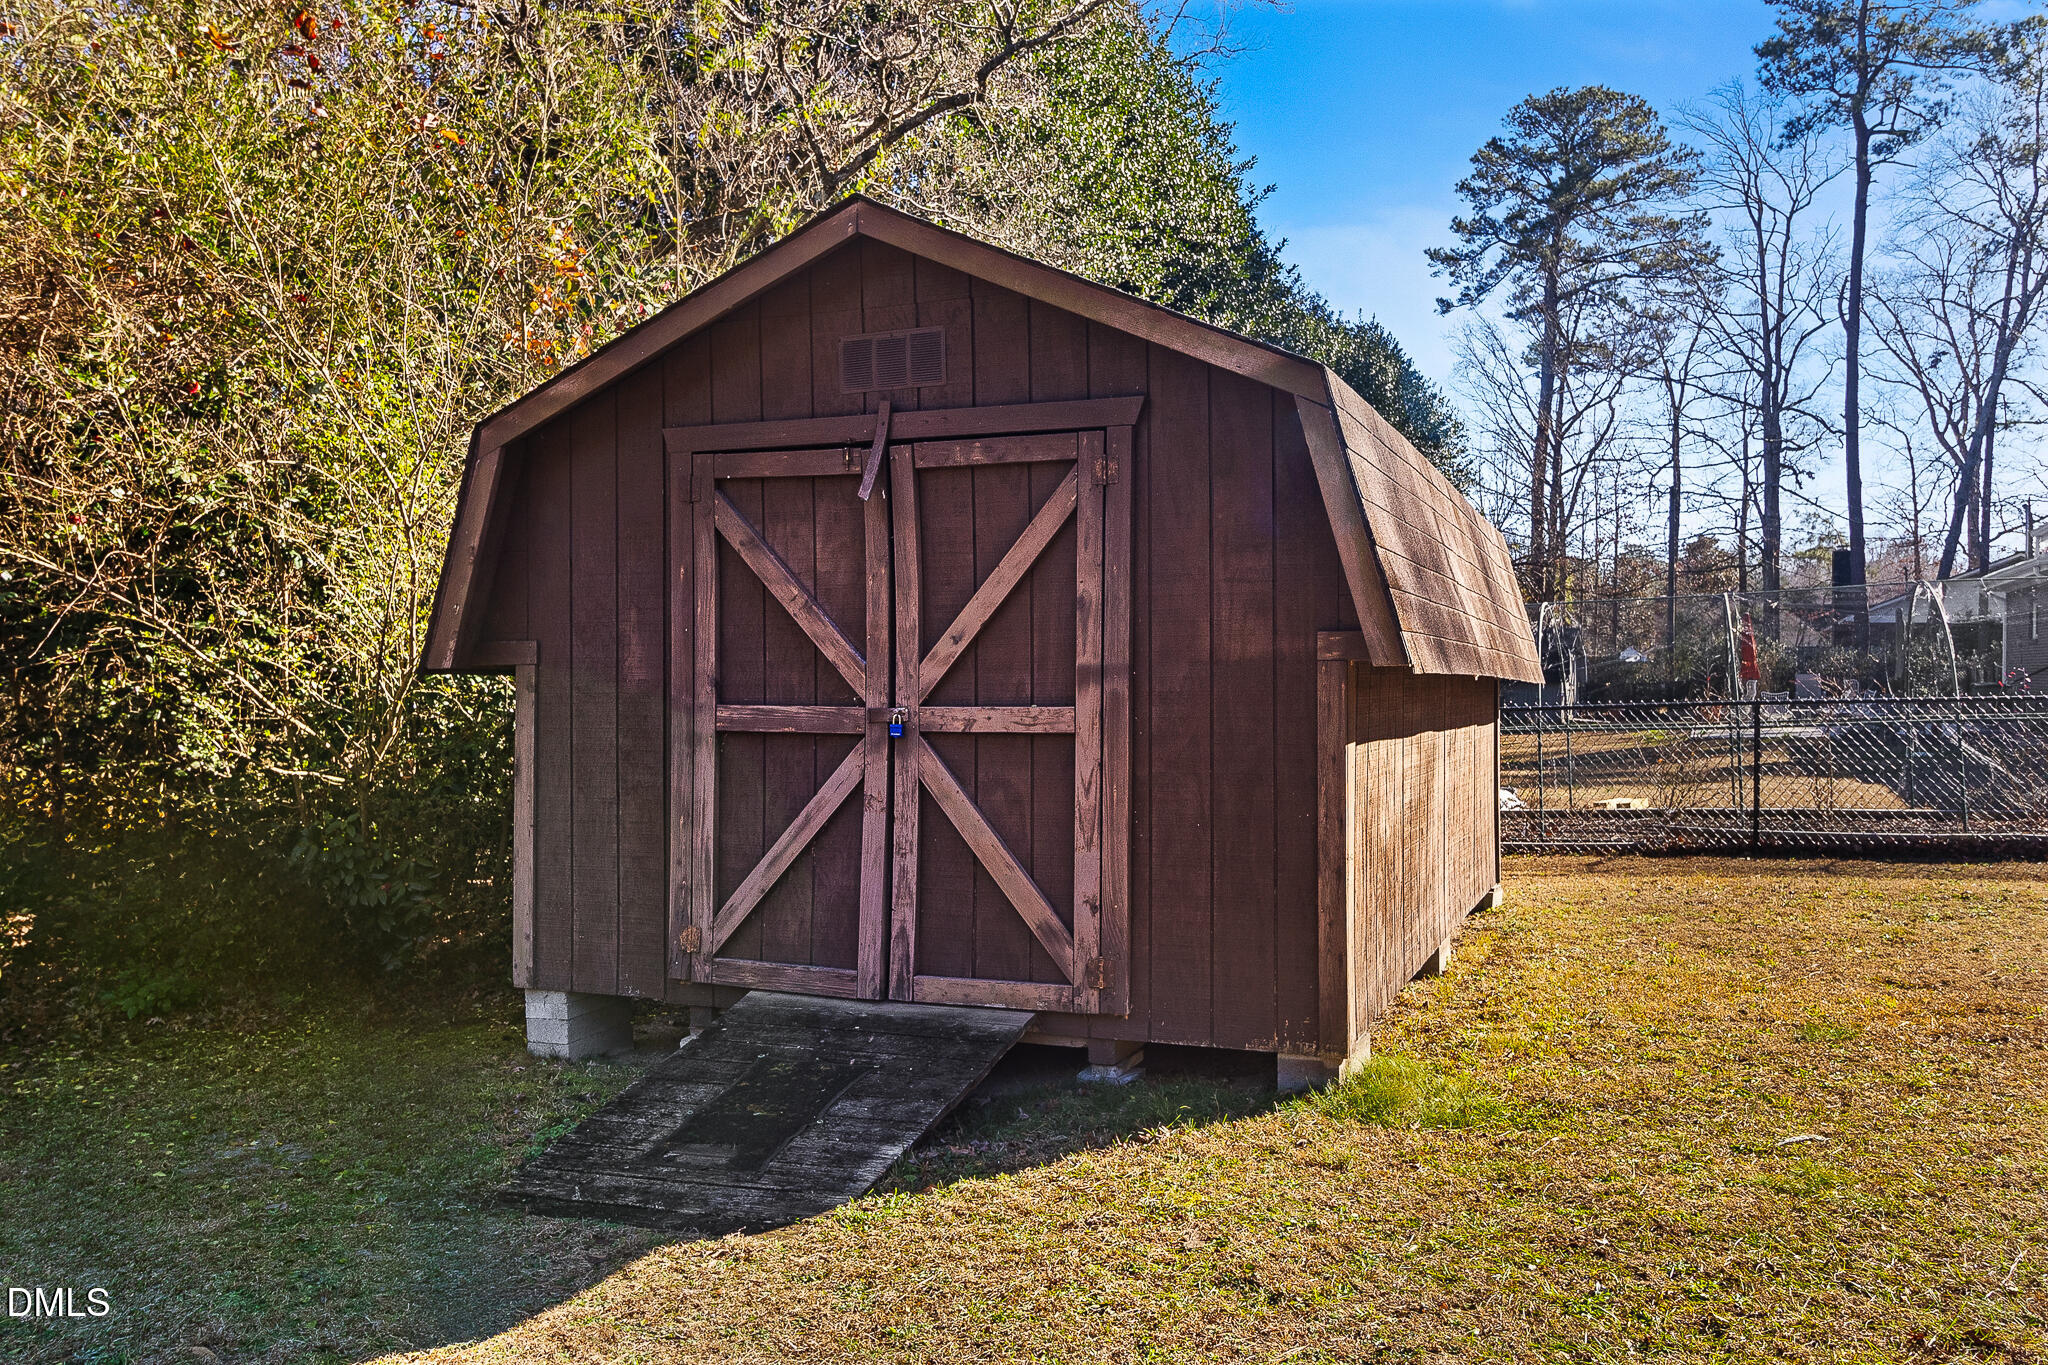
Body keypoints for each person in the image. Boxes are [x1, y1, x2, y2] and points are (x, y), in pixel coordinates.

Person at [1737, 613, 1760, 701]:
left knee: (1750, 680)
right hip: (1748, 660)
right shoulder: (1747, 632)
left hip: (1749, 661)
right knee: (1748, 679)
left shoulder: (1747, 631)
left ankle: (1749, 698)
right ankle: (1747, 697)